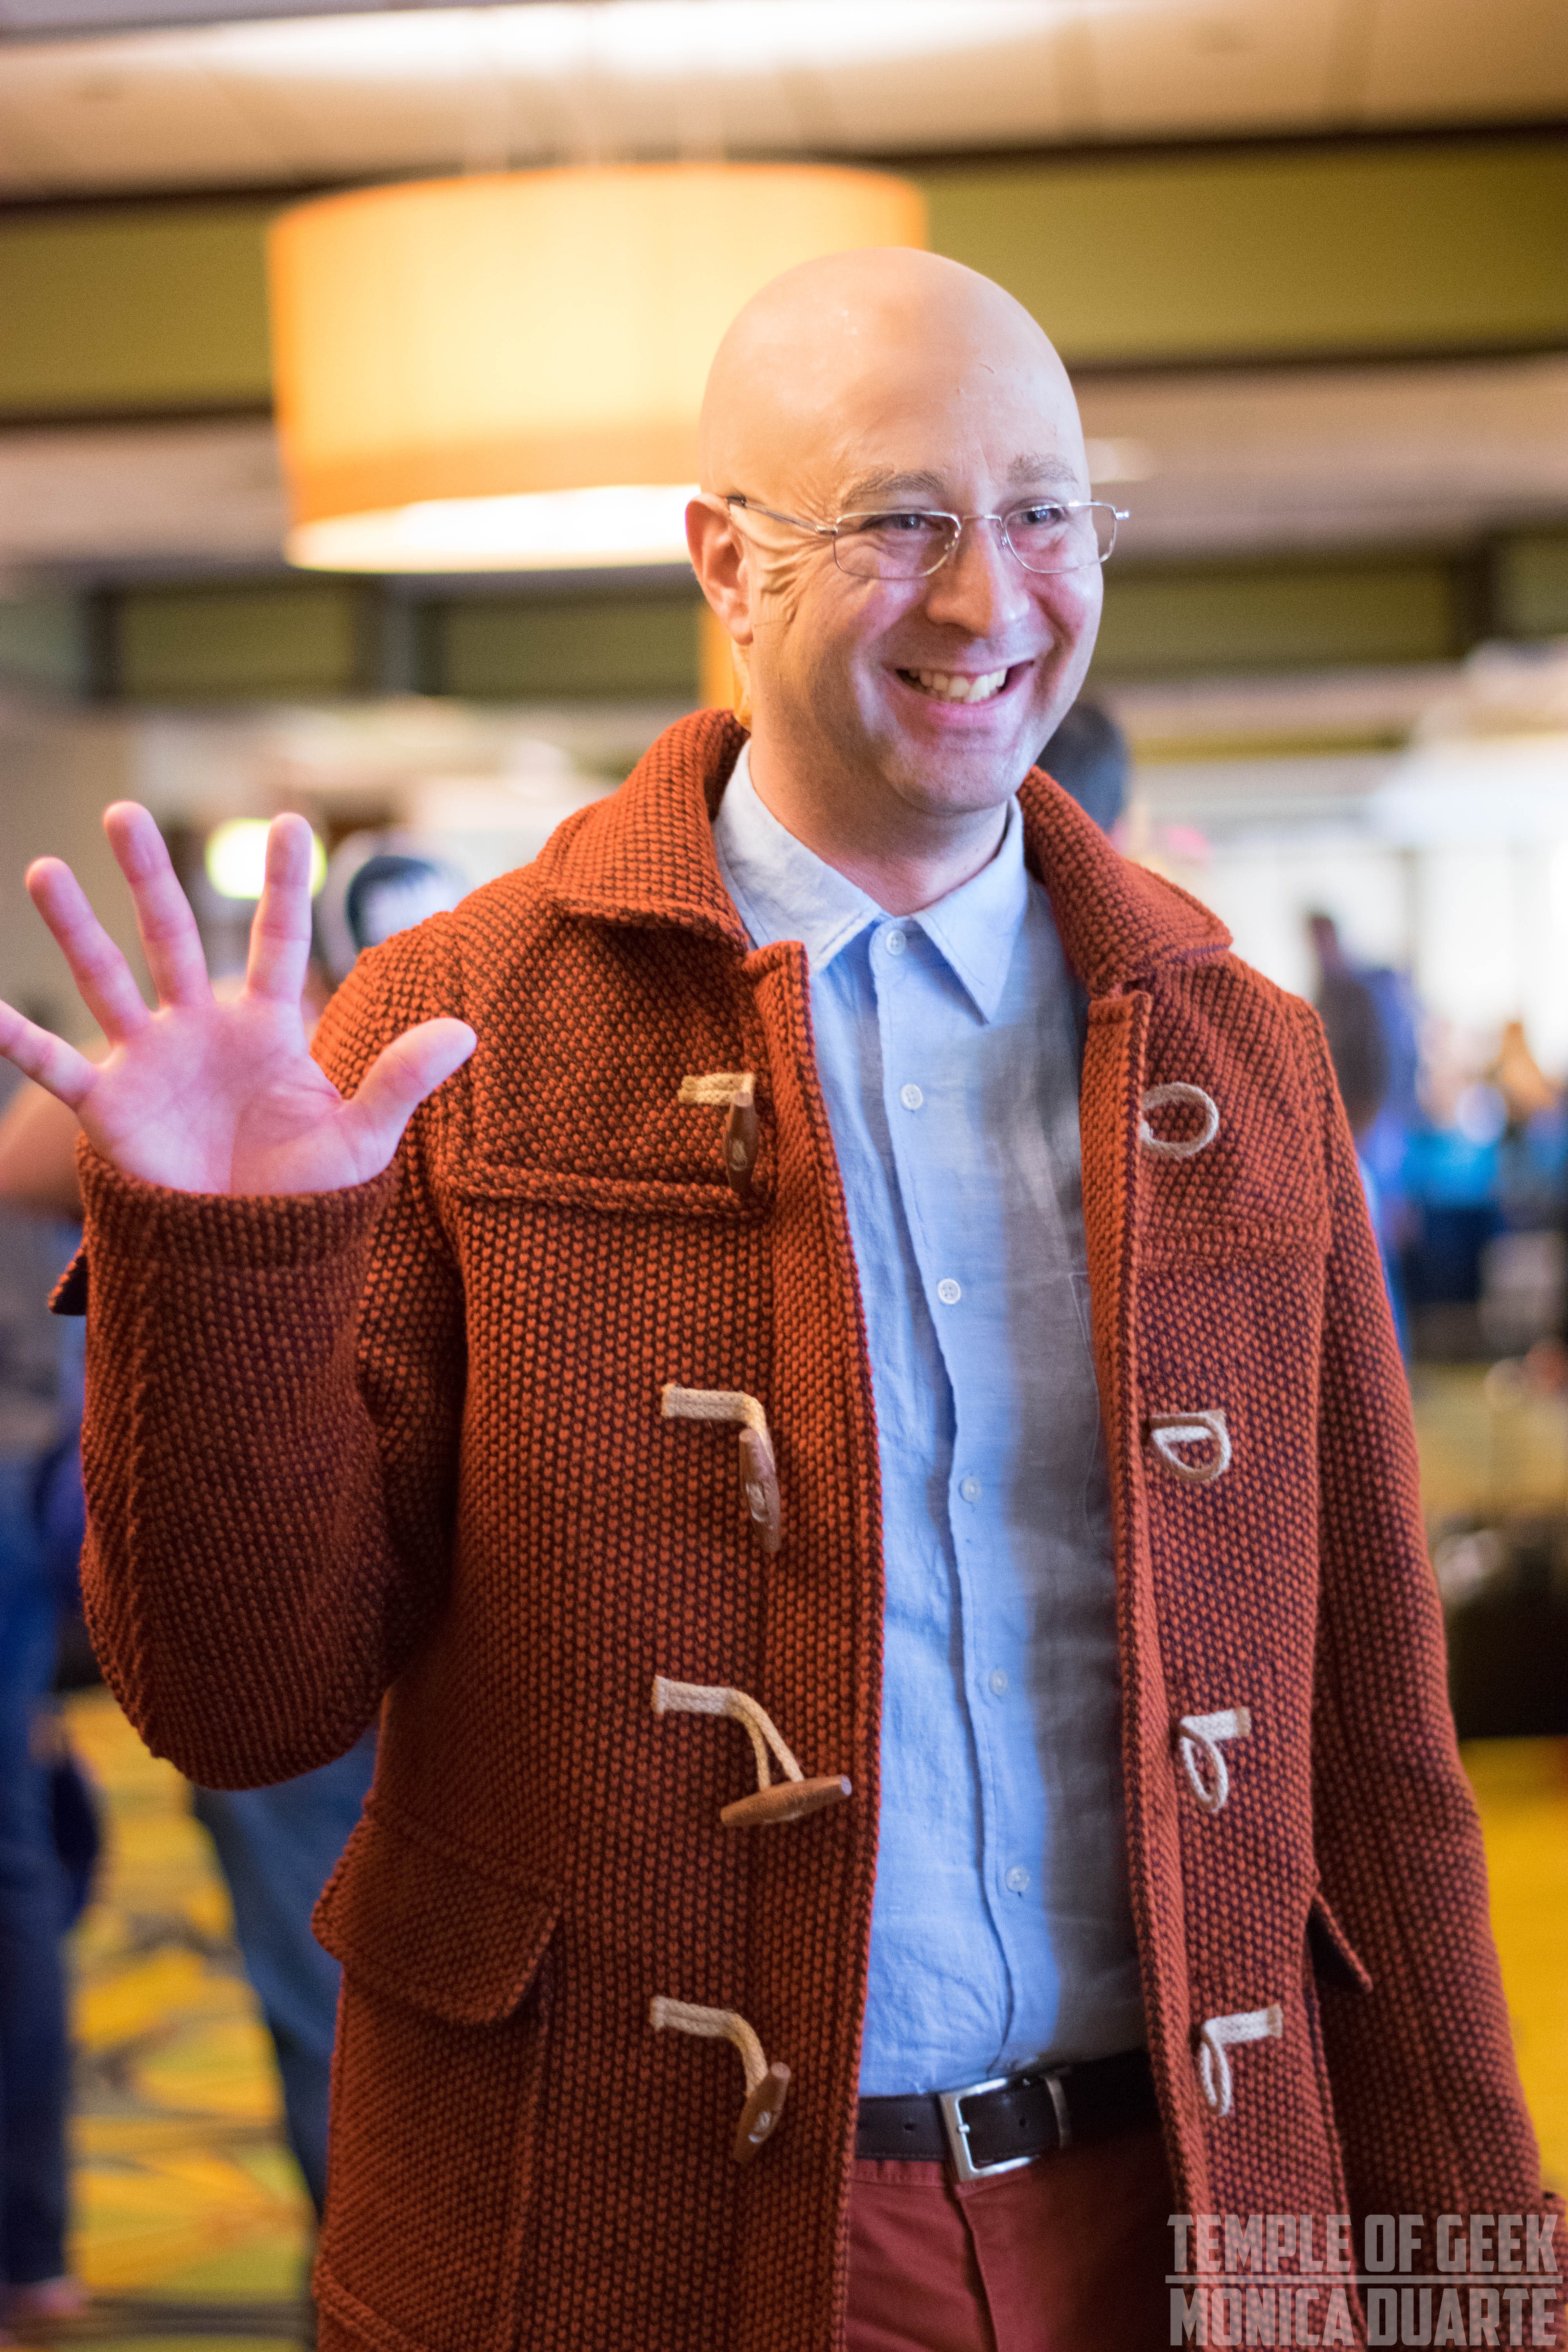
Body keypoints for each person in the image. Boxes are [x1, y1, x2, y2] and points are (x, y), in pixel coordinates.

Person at [0, 249, 1555, 2352]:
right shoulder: (456, 1027)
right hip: (619, 2222)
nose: (988, 599)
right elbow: (241, 1704)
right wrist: (226, 1262)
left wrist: (1484, 2295)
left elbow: (1378, 1739)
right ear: (727, 561)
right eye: (900, 518)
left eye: (1043, 514)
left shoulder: (1234, 1050)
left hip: (1200, 2206)